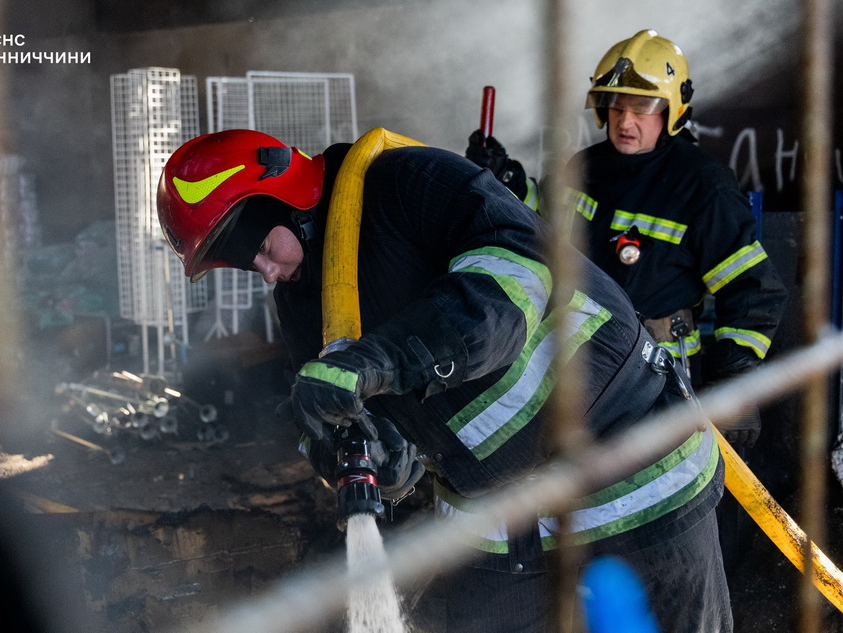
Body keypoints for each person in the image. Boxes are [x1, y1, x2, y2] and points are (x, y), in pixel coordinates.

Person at [156, 128, 732, 632]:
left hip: (630, 478)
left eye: (261, 247)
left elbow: (512, 285)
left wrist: (379, 360)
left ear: (287, 196)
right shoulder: (305, 301)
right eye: (249, 265)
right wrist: (355, 452)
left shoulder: (406, 183)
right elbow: (360, 418)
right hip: (504, 529)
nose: (269, 271)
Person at [466, 30, 788, 445]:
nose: (625, 121)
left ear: (673, 110)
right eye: (615, 106)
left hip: (655, 373)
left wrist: (735, 381)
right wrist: (507, 178)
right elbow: (540, 226)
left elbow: (753, 288)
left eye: (642, 107)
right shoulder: (584, 166)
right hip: (571, 357)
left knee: (652, 492)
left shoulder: (703, 187)